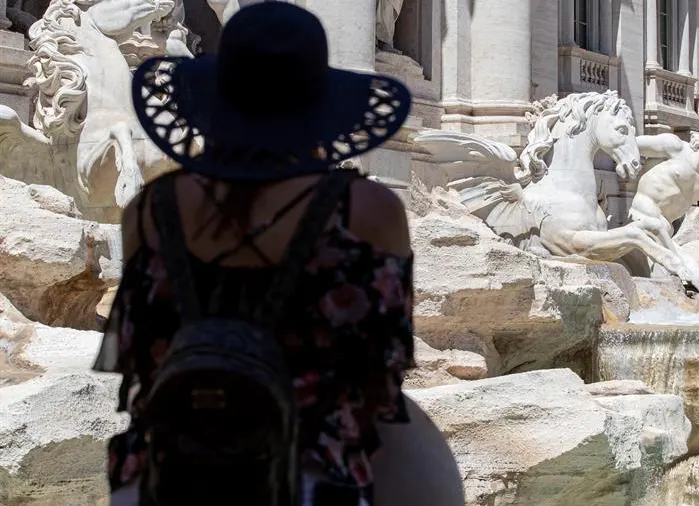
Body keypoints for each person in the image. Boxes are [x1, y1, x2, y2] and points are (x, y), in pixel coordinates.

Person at [92, 3, 464, 505]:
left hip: (175, 462)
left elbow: (138, 362)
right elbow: (383, 367)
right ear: (322, 110)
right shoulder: (368, 210)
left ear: (213, 101)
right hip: (316, 466)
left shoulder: (151, 209)